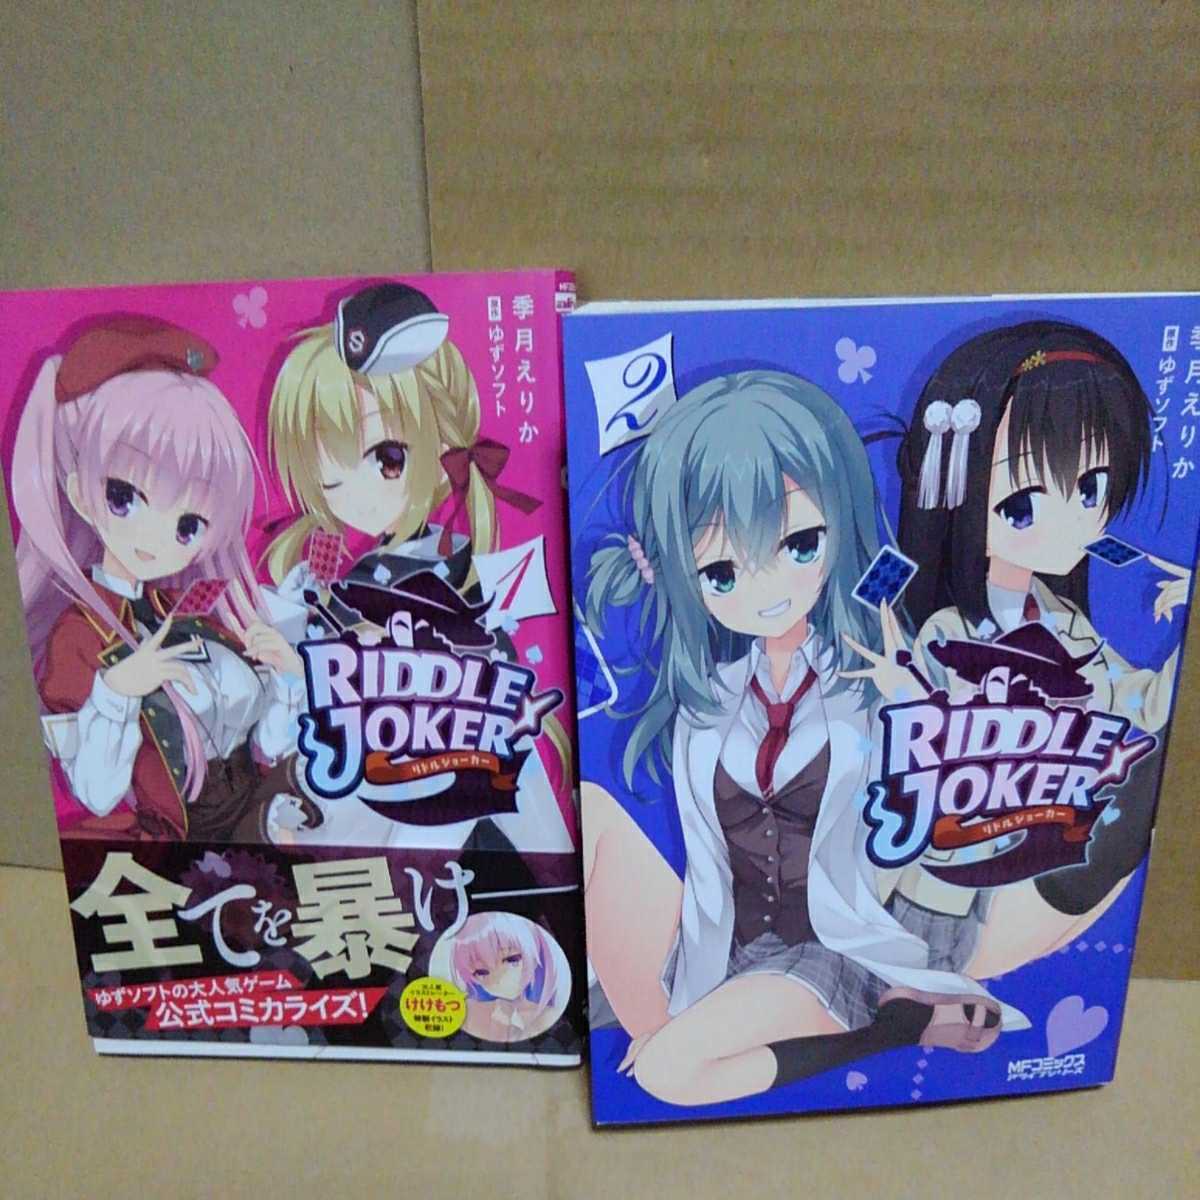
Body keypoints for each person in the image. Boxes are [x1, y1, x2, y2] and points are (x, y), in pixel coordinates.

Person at [581, 370, 1017, 1108]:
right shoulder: (710, 703)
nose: (766, 588)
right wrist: (684, 1002)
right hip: (731, 948)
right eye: (722, 571)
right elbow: (709, 868)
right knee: (592, 808)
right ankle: (697, 1026)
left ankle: (895, 1025)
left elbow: (954, 784)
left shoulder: (873, 681)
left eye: (798, 544)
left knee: (664, 1072)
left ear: (838, 527)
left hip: (830, 949)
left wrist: (910, 697)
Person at [869, 319, 1189, 979]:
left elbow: (1143, 706)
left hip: (1034, 868)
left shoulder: (1067, 623)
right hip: (940, 897)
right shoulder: (945, 633)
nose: (1072, 524)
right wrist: (912, 695)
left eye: (1091, 490)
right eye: (1022, 506)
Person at [15, 316, 312, 843]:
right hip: (179, 840)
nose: (156, 538)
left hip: (258, 813)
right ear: (81, 493)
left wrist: (287, 678)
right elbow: (96, 793)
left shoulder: (188, 608)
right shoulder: (79, 637)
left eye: (188, 525)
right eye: (123, 497)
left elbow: (268, 746)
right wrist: (117, 692)